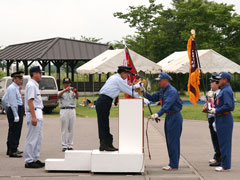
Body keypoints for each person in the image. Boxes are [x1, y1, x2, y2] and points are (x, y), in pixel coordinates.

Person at [96, 65, 149, 151]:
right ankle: (104, 144)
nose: (128, 76)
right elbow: (128, 90)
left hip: (104, 100)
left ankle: (106, 144)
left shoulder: (115, 78)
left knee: (104, 123)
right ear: (123, 73)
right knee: (103, 124)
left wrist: (135, 86)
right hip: (104, 101)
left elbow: (127, 88)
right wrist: (142, 99)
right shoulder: (118, 80)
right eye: (127, 74)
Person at [145, 72, 183, 171]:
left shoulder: (171, 91)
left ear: (166, 80)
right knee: (170, 141)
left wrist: (157, 114)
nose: (159, 83)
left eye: (160, 81)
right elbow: (153, 98)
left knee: (173, 141)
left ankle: (173, 164)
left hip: (174, 116)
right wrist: (143, 92)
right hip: (169, 117)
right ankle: (172, 163)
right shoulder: (163, 90)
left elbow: (167, 105)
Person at [208, 72, 234, 172]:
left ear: (225, 80)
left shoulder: (226, 90)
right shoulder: (223, 90)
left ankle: (225, 165)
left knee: (225, 143)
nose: (218, 80)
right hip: (220, 118)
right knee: (222, 142)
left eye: (220, 79)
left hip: (224, 118)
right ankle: (224, 164)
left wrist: (216, 110)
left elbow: (229, 106)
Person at [24, 66, 45, 168]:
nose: (41, 75)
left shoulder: (35, 85)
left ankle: (35, 158)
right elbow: (30, 101)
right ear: (35, 74)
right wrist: (33, 117)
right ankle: (29, 160)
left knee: (38, 138)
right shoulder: (31, 85)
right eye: (40, 73)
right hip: (34, 112)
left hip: (38, 112)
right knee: (32, 138)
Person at [4, 71, 24, 158]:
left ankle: (12, 148)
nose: (21, 80)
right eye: (19, 79)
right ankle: (13, 150)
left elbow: (4, 99)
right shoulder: (12, 88)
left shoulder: (15, 87)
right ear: (14, 79)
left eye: (21, 79)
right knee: (15, 130)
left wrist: (7, 109)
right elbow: (13, 103)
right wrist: (15, 114)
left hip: (13, 109)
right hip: (15, 109)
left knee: (13, 129)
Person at [58, 78, 79, 152]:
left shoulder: (72, 91)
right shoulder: (61, 91)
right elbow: (58, 95)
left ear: (70, 84)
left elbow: (77, 97)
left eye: (68, 83)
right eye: (65, 83)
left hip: (72, 110)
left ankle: (70, 145)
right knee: (64, 128)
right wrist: (64, 90)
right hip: (64, 110)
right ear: (63, 84)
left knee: (71, 128)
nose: (67, 84)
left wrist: (76, 92)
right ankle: (64, 145)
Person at [206, 73, 221, 166]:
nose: (211, 84)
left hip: (217, 116)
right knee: (214, 138)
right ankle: (217, 155)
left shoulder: (220, 93)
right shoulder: (212, 92)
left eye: (212, 82)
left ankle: (219, 157)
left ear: (217, 83)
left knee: (217, 138)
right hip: (211, 117)